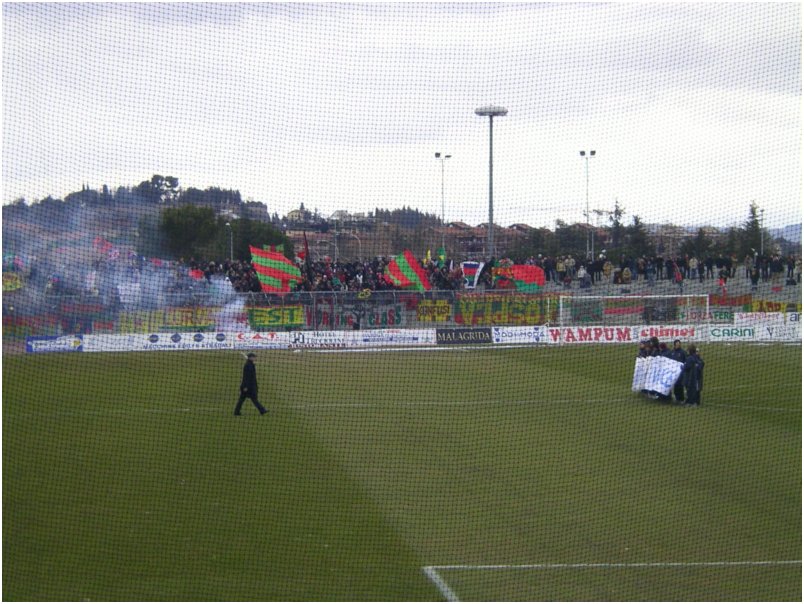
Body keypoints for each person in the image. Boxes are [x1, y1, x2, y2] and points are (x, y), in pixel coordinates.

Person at [668, 339, 687, 404]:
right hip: (673, 372)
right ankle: (677, 398)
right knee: (675, 385)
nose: (678, 345)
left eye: (679, 344)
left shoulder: (683, 352)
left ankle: (681, 399)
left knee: (680, 385)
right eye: (677, 345)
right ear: (674, 345)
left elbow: (685, 361)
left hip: (680, 372)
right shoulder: (672, 352)